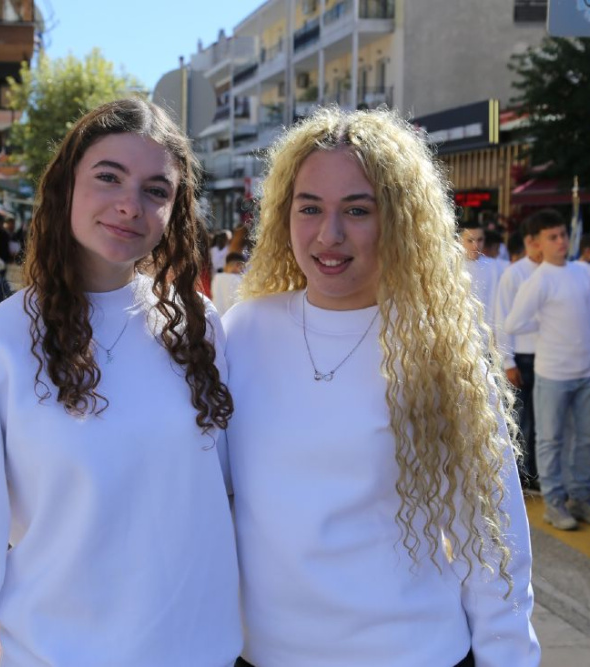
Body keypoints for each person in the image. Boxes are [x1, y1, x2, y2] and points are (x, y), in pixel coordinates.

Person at [0, 98, 241, 666]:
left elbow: (222, 500)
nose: (129, 204)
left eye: (156, 189)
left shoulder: (198, 327)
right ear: (67, 185)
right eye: (109, 176)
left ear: (175, 210)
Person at [224, 107, 538, 667]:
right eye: (310, 207)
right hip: (260, 653)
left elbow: (493, 537)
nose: (330, 234)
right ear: (282, 215)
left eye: (357, 210)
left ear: (399, 220)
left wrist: (508, 657)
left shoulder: (437, 350)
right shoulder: (242, 331)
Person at [503, 209, 590, 531]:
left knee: (587, 439)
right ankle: (555, 503)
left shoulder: (585, 273)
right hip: (553, 373)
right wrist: (545, 324)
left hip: (587, 371)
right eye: (553, 237)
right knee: (550, 439)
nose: (561, 241)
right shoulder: (538, 281)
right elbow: (513, 323)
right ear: (538, 243)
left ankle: (581, 498)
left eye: (563, 235)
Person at [494, 218, 543, 491]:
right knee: (521, 420)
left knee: (542, 423)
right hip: (522, 357)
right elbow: (502, 319)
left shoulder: (552, 271)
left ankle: (536, 472)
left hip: (547, 356)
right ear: (530, 241)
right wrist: (508, 361)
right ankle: (521, 474)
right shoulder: (515, 274)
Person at [458, 220, 503, 328]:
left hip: (487, 329)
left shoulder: (495, 267)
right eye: (470, 240)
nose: (476, 246)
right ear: (459, 240)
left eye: (480, 240)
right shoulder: (452, 267)